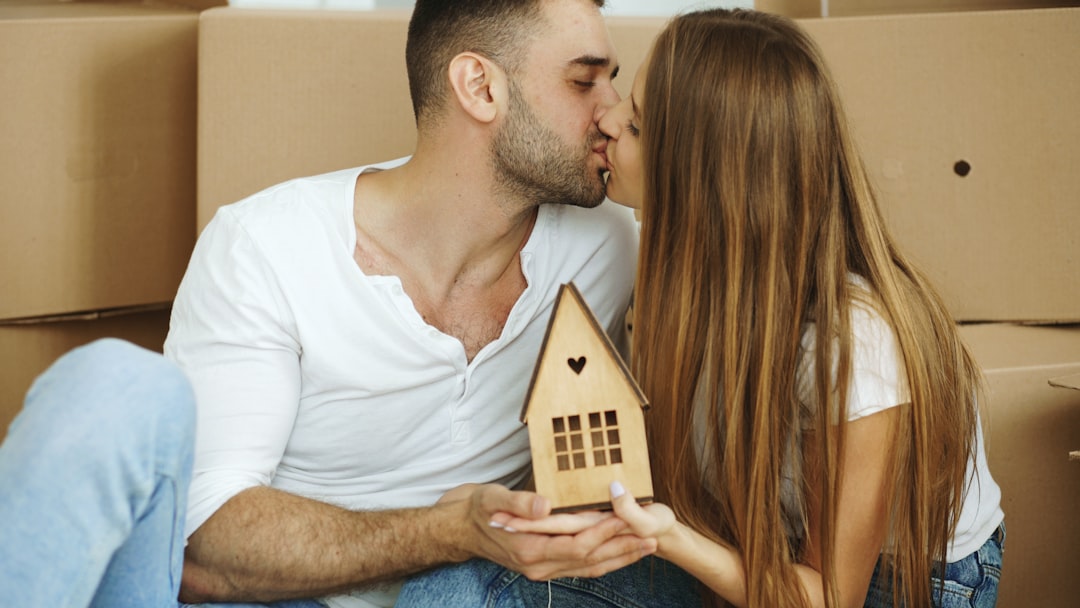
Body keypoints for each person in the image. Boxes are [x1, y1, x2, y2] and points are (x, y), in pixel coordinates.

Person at [167, 1, 687, 607]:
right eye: (582, 81)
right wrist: (450, 532)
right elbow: (200, 542)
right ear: (480, 87)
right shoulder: (265, 247)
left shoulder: (611, 242)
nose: (612, 114)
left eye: (612, 81)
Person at [495, 8, 1006, 608]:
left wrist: (671, 538)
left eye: (636, 124)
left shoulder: (853, 346)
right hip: (757, 539)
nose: (605, 120)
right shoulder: (672, 260)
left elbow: (830, 597)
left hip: (891, 580)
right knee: (479, 579)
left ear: (701, 176)